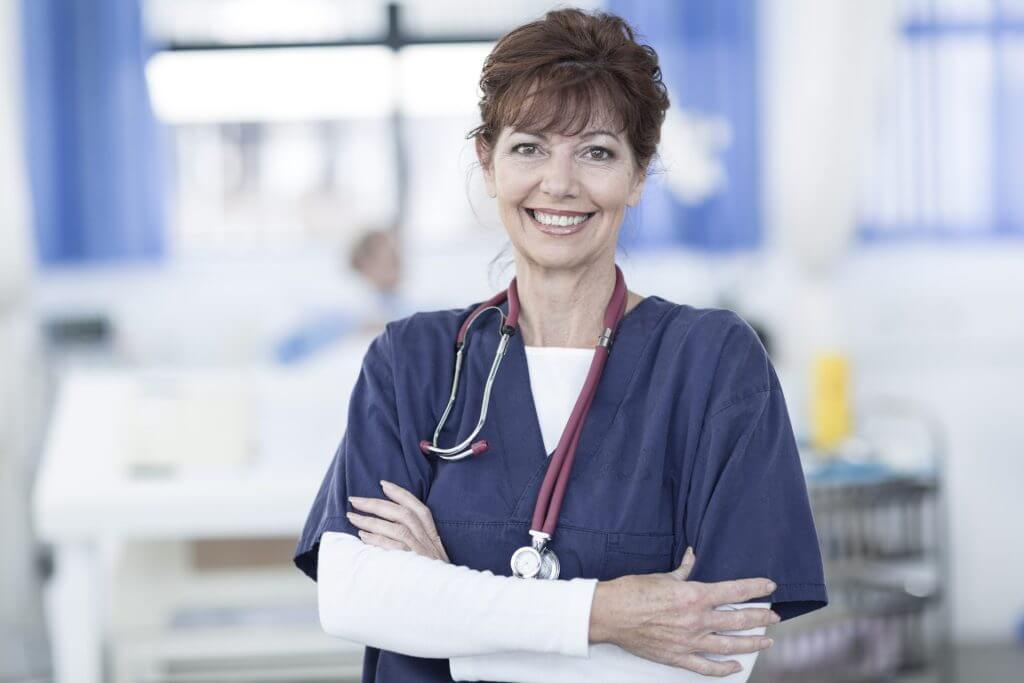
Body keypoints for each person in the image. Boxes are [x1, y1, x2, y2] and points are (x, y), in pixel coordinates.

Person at [294, 8, 827, 682]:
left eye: (597, 151)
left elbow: (724, 647)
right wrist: (606, 613)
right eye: (529, 147)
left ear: (638, 174)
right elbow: (351, 596)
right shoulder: (413, 361)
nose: (559, 182)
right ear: (488, 163)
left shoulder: (713, 364)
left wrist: (445, 607)